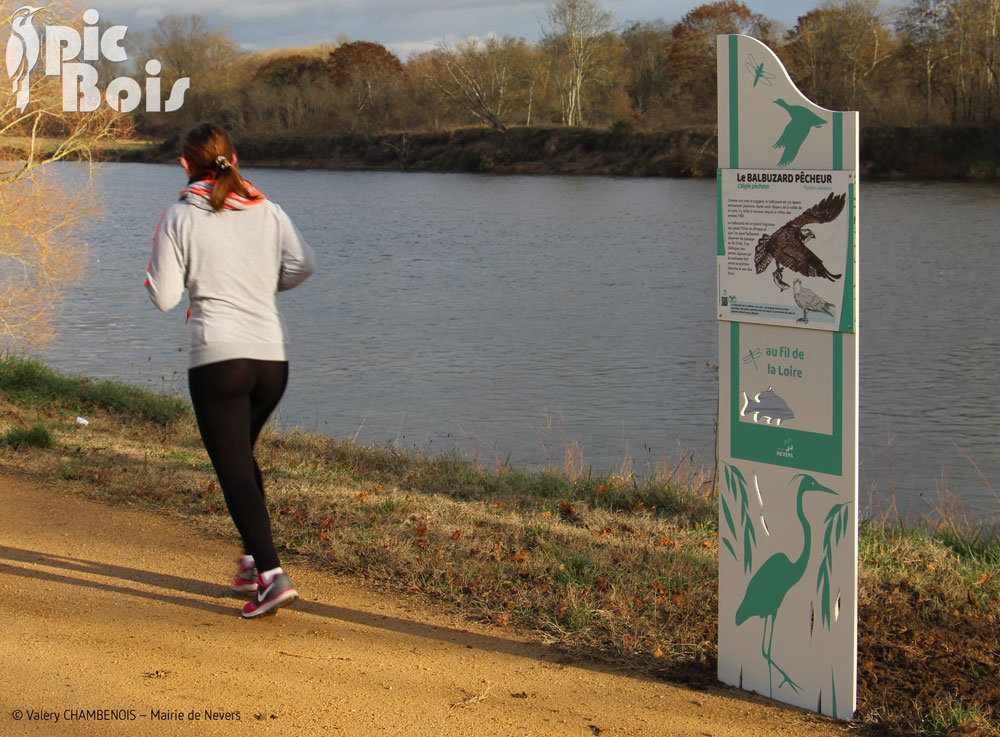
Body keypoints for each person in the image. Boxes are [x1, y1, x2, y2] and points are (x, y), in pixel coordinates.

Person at [144, 122, 316, 618]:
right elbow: (302, 265)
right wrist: (260, 286)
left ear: (184, 164)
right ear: (234, 159)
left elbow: (164, 297)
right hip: (271, 362)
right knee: (241, 459)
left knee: (233, 469)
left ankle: (271, 576)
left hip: (219, 360)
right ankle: (249, 561)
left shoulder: (180, 215)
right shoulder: (269, 209)